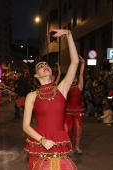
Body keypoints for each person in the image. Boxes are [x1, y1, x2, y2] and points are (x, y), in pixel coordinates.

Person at [23, 29, 79, 170]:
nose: (45, 67)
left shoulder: (62, 89)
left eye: (46, 65)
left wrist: (69, 35)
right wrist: (42, 140)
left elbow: (75, 62)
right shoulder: (32, 96)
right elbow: (26, 126)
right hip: (39, 142)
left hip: (60, 141)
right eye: (40, 67)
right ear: (36, 75)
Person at [65, 55, 85, 154]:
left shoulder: (79, 87)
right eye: (73, 78)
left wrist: (83, 63)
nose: (75, 80)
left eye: (76, 79)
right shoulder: (66, 87)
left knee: (78, 129)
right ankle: (68, 147)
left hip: (78, 111)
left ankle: (76, 147)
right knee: (68, 129)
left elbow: (81, 74)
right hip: (68, 110)